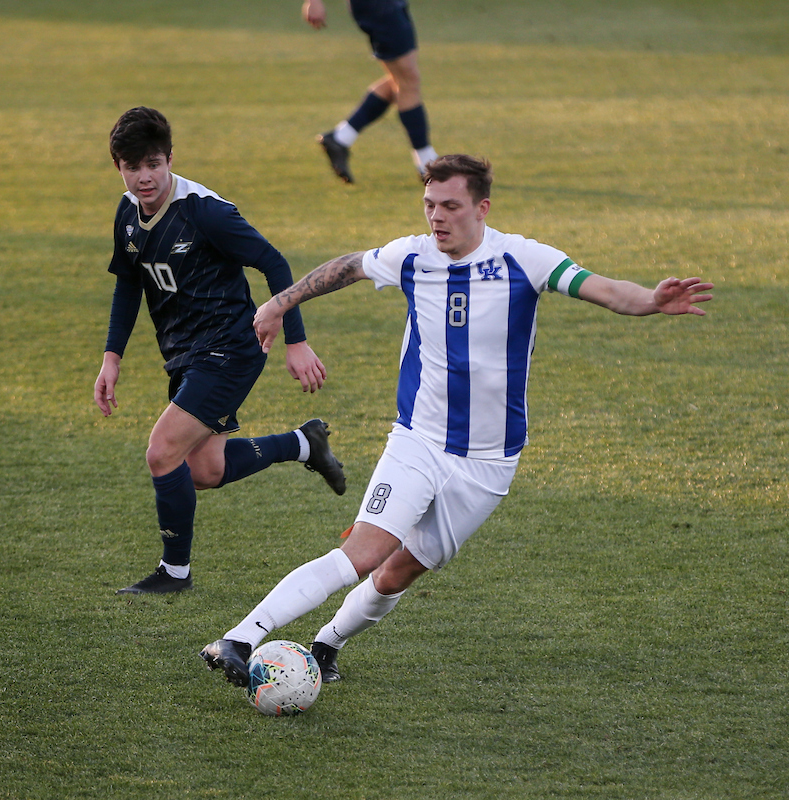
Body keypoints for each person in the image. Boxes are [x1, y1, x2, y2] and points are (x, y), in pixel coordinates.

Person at [201, 154, 713, 686]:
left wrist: (651, 300)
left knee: (398, 571)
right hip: (417, 441)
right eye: (429, 205)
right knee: (365, 552)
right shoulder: (411, 257)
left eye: (450, 206)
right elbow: (349, 265)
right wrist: (280, 303)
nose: (436, 217)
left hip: (489, 463)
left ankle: (327, 644)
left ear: (481, 208)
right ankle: (239, 638)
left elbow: (604, 290)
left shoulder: (524, 259)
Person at [95, 106, 347, 595]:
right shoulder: (128, 212)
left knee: (162, 451)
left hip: (231, 347)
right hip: (185, 354)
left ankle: (175, 574)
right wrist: (112, 356)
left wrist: (296, 341)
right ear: (118, 167)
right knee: (204, 471)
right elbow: (129, 283)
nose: (144, 177)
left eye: (153, 164)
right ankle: (303, 443)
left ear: (169, 158)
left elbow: (274, 262)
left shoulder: (205, 212)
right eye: (132, 167)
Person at [304, 0, 437, 183]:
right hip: (377, 6)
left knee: (403, 79)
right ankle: (427, 164)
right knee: (408, 81)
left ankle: (340, 138)